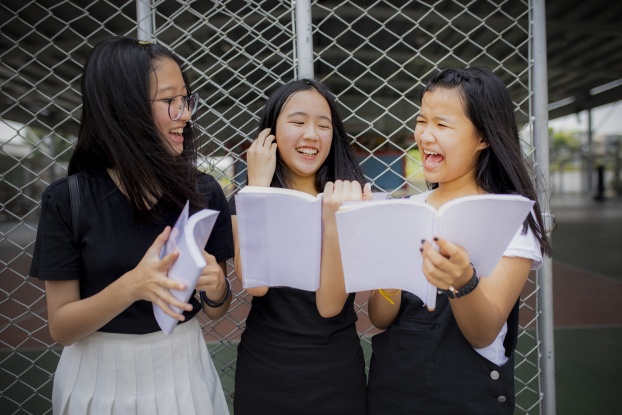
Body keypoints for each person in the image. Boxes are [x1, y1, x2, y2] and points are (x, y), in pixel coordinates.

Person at [29, 36, 233, 415]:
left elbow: (216, 309)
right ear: (125, 109)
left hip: (184, 369)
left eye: (186, 99)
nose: (185, 114)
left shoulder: (203, 191)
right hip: (97, 377)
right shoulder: (67, 200)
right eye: (171, 101)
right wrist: (133, 287)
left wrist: (218, 287)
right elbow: (61, 327)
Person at [366, 67, 553, 415]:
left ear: (483, 137)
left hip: (467, 397)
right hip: (392, 391)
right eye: (422, 121)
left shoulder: (509, 217)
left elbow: (483, 333)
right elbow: (380, 317)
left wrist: (462, 281)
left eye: (442, 124)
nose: (425, 135)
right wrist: (389, 275)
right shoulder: (405, 208)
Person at [229, 78, 371, 415]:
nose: (311, 134)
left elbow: (329, 306)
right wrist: (259, 187)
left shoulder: (352, 197)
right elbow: (257, 284)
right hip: (265, 368)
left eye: (323, 125)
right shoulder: (246, 199)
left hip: (334, 371)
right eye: (297, 122)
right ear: (271, 133)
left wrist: (334, 222)